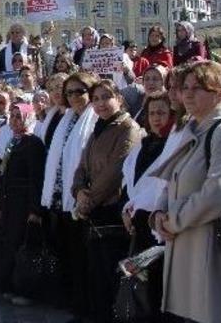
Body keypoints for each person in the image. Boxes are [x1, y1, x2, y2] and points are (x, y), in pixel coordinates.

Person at [150, 61, 221, 323]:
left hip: (217, 257)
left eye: (199, 88)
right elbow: (172, 179)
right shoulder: (196, 130)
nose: (187, 94)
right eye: (185, 87)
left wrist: (173, 220)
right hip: (193, 251)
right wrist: (159, 213)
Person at [71, 80, 142, 322]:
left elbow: (115, 172)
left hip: (110, 211)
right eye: (96, 99)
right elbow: (82, 166)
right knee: (94, 273)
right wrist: (79, 190)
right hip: (92, 210)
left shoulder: (127, 128)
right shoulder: (98, 128)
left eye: (106, 97)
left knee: (108, 273)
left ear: (119, 99)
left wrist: (87, 201)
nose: (101, 103)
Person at [40, 71, 98, 319]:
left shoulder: (94, 117)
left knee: (81, 256)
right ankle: (70, 299)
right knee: (65, 251)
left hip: (81, 197)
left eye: (80, 91)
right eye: (70, 92)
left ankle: (82, 305)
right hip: (59, 195)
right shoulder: (66, 118)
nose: (74, 97)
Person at [119, 91, 174, 322]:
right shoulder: (142, 145)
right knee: (138, 284)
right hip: (136, 222)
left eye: (162, 112)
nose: (156, 118)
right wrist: (126, 210)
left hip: (159, 225)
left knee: (158, 287)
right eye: (152, 113)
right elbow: (127, 179)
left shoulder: (173, 144)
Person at [0, 103, 47, 305]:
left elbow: (36, 178)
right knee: (9, 243)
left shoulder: (33, 143)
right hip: (9, 202)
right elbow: (3, 175)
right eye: (13, 116)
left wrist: (34, 209)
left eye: (19, 116)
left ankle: (24, 290)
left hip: (23, 202)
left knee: (22, 245)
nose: (15, 120)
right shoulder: (13, 142)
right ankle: (8, 285)